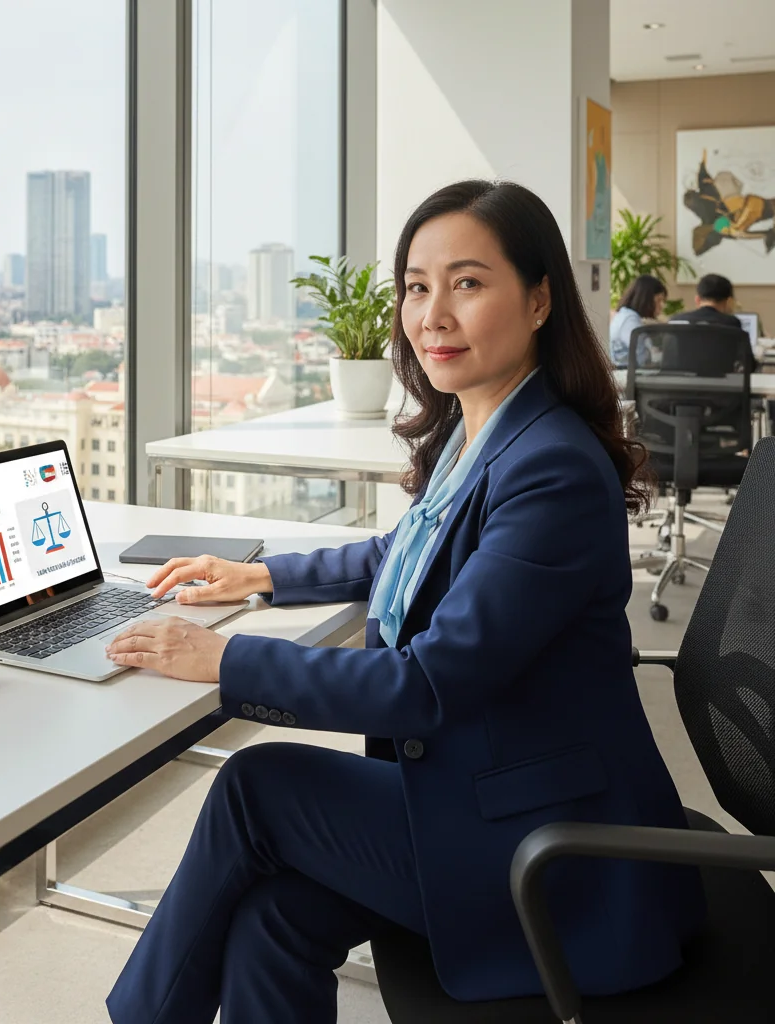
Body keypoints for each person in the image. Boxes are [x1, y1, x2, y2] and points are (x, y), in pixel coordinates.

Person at [104, 180, 704, 1024]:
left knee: (257, 784)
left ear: (538, 301)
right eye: (417, 287)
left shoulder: (552, 470)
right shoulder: (484, 428)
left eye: (467, 282)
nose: (432, 314)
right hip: (494, 791)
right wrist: (264, 576)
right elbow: (408, 553)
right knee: (274, 918)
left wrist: (225, 658)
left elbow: (425, 687)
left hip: (554, 848)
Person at [669, 273, 757, 371]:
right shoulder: (731, 323)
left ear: (697, 299)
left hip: (679, 384)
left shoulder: (676, 321)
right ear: (729, 301)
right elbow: (748, 364)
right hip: (720, 384)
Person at [609, 273, 667, 367]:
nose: (661, 306)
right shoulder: (630, 320)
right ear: (646, 299)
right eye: (658, 300)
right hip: (624, 373)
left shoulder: (626, 315)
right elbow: (642, 359)